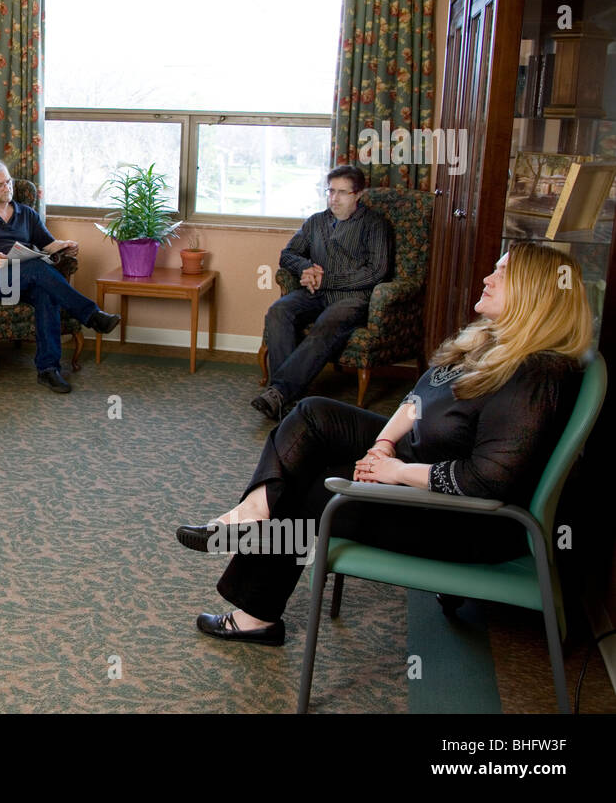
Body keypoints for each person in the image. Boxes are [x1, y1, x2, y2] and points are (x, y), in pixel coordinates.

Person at [177, 241, 591, 645]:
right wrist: (384, 445)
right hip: (421, 460)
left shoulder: (535, 376)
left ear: (535, 292)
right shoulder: (491, 341)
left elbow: (485, 481)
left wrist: (394, 472)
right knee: (312, 413)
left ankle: (256, 617)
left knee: (309, 488)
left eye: (502, 273)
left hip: (461, 520)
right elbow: (418, 399)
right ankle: (251, 512)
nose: (487, 277)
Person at [0, 159, 121, 393]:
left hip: (27, 278)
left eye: (8, 182)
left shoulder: (26, 213)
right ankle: (91, 315)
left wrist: (64, 246)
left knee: (45, 293)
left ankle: (48, 370)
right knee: (38, 270)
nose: (7, 188)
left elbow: (47, 244)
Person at [252, 165, 389, 421]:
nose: (334, 198)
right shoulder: (316, 221)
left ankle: (279, 392)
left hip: (353, 298)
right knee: (279, 311)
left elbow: (376, 272)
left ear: (358, 195)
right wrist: (306, 268)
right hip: (314, 293)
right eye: (331, 191)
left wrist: (326, 279)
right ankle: (283, 395)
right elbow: (287, 255)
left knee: (327, 324)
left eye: (342, 193)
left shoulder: (374, 225)